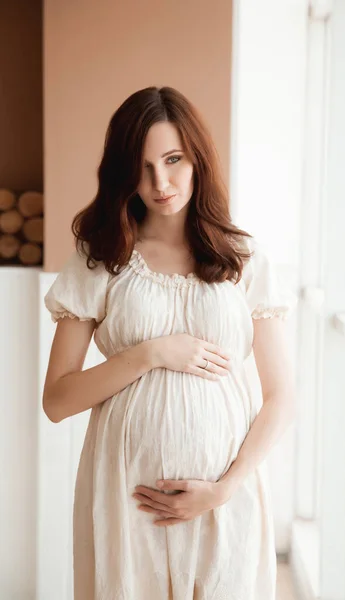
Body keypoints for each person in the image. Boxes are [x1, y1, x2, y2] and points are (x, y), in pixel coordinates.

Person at [43, 86, 296, 600]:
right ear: (123, 173)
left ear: (197, 157)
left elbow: (282, 396)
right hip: (127, 497)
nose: (161, 182)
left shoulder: (243, 259)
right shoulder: (101, 258)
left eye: (174, 159)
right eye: (143, 167)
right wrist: (150, 353)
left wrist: (223, 489)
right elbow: (57, 400)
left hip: (226, 496)